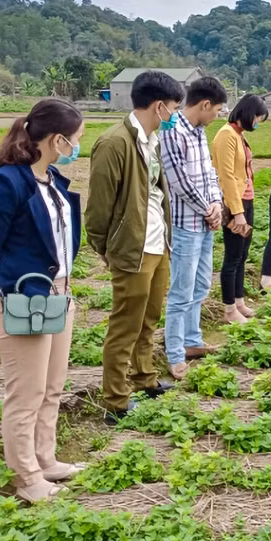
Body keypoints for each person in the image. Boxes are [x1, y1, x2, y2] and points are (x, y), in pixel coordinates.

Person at [0, 100, 86, 502]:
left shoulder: (54, 180)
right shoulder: (6, 183)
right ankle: (26, 477)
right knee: (25, 394)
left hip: (59, 293)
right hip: (20, 299)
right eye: (75, 139)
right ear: (57, 140)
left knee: (52, 386)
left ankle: (45, 458)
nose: (78, 145)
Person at [86, 70, 180, 425]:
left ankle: (144, 378)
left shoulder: (151, 140)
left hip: (157, 245)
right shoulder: (115, 143)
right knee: (125, 324)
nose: (173, 115)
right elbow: (97, 212)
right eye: (172, 108)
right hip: (132, 250)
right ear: (158, 106)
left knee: (149, 317)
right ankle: (116, 399)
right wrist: (111, 250)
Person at [159, 77, 226, 380]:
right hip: (185, 223)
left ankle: (192, 340)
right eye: (217, 111)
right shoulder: (172, 131)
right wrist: (206, 208)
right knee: (181, 291)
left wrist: (216, 204)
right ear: (204, 104)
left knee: (201, 285)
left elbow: (209, 174)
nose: (217, 117)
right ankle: (174, 353)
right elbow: (179, 181)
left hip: (205, 220)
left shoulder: (198, 133)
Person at [211, 94, 268, 323]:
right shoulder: (226, 135)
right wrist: (237, 212)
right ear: (246, 113)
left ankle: (240, 301)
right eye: (257, 118)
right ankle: (229, 309)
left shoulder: (238, 135)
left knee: (243, 254)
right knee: (233, 257)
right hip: (236, 202)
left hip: (246, 198)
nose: (257, 123)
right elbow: (227, 176)